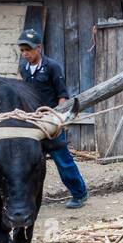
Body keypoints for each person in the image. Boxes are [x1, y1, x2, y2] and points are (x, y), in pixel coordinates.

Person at [16, 28, 88, 209]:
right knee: (30, 162)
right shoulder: (23, 68)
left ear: (38, 48)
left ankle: (79, 194)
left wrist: (58, 119)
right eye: (22, 50)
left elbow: (62, 95)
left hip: (50, 122)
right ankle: (28, 198)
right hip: (32, 122)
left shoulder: (52, 67)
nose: (25, 54)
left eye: (28, 50)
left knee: (62, 160)